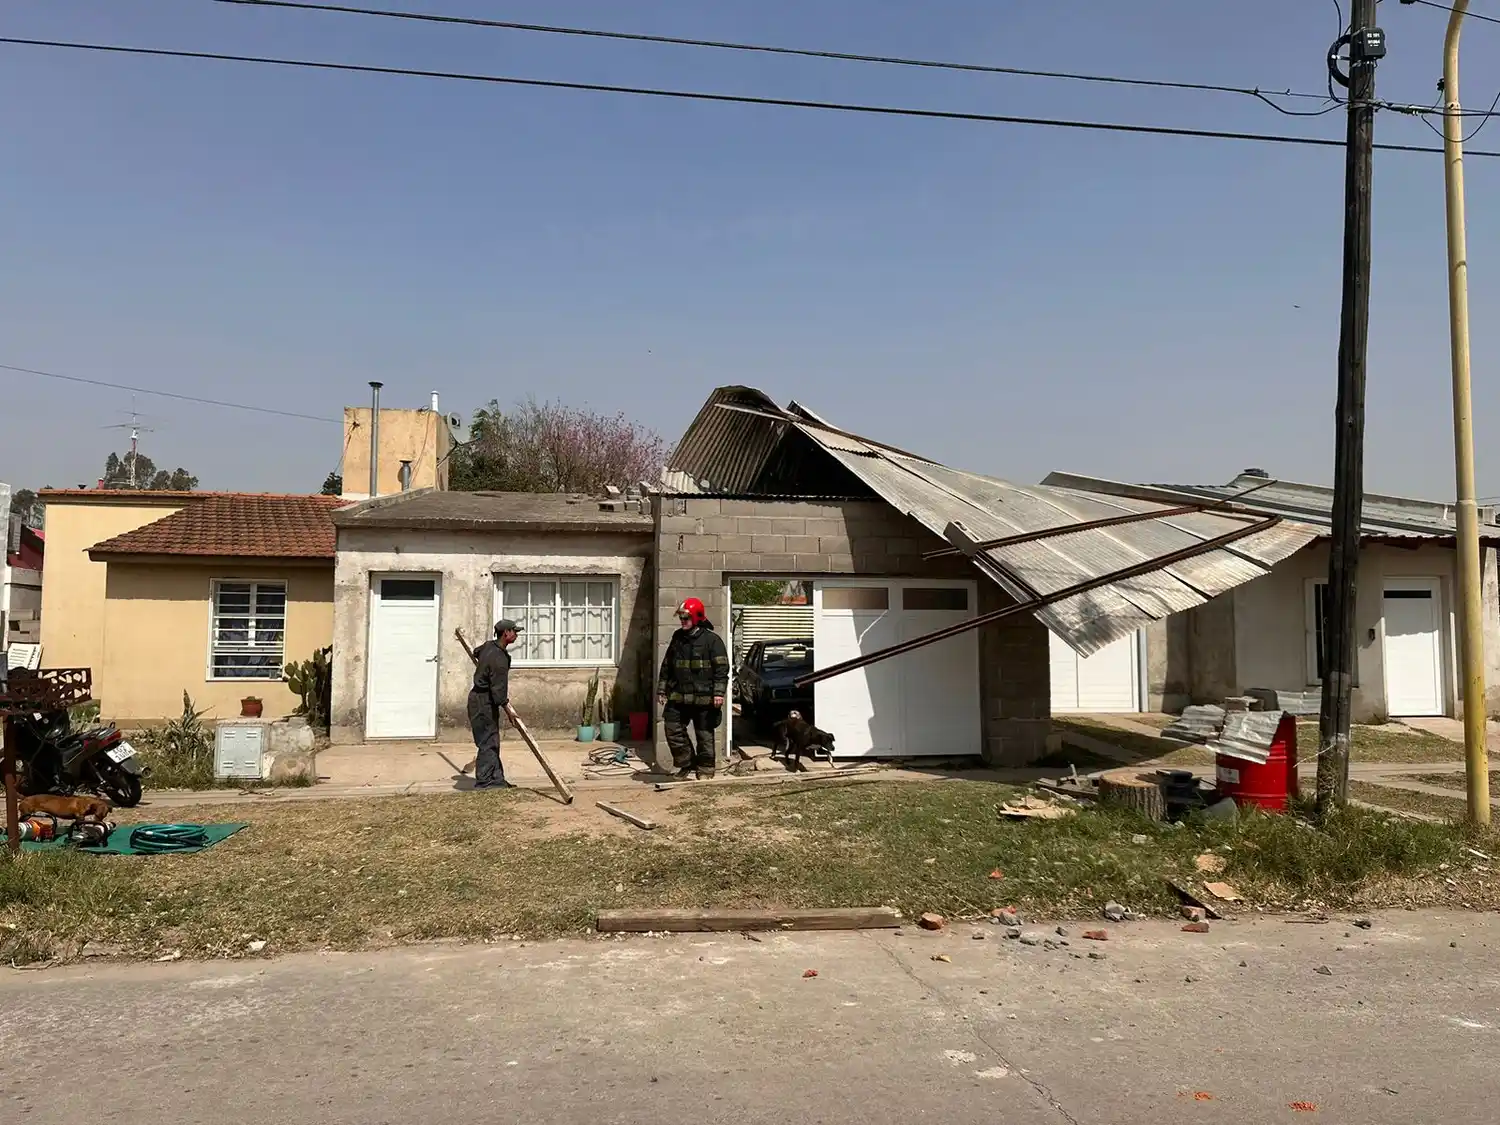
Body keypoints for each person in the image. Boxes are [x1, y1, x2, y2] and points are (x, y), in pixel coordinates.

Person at [657, 596, 730, 780]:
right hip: (679, 696)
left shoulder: (712, 640)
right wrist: (661, 690)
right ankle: (686, 764)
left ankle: (705, 769)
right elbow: (667, 665)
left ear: (697, 618)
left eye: (686, 618)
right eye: (681, 617)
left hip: (704, 697)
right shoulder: (677, 638)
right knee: (672, 728)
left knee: (704, 734)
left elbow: (722, 669)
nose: (682, 621)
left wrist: (719, 693)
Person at [468, 619, 522, 790]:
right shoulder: (499, 658)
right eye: (514, 631)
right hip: (484, 701)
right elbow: (498, 690)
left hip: (479, 698)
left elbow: (476, 652)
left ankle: (496, 779)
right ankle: (484, 781)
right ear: (506, 633)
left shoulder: (488, 646)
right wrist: (508, 710)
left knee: (492, 739)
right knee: (488, 741)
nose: (517, 635)